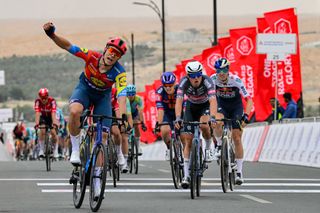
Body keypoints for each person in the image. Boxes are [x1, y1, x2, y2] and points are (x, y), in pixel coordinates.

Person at [43, 22, 128, 198]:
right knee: (74, 112)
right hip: (84, 90)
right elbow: (69, 46)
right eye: (111, 51)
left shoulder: (120, 72)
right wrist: (52, 35)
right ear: (106, 49)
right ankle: (75, 148)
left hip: (102, 98)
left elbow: (121, 95)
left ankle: (96, 184)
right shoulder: (92, 56)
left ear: (119, 58)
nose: (112, 56)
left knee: (103, 138)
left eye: (117, 55)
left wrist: (123, 117)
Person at [175, 60, 218, 189]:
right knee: (188, 141)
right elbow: (179, 101)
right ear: (188, 76)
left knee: (204, 125)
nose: (196, 78)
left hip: (205, 105)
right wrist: (178, 118)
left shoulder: (207, 81)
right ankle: (186, 175)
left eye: (198, 74)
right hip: (191, 106)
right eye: (192, 76)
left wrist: (213, 117)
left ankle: (208, 148)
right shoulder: (183, 82)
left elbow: (213, 101)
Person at [210, 57, 253, 185]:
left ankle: (239, 172)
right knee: (217, 121)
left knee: (237, 138)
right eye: (218, 70)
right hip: (221, 106)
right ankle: (218, 145)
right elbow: (209, 97)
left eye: (223, 70)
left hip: (236, 108)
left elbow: (249, 99)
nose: (221, 73)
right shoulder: (212, 79)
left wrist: (246, 115)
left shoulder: (236, 80)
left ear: (228, 70)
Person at [155, 72, 179, 161]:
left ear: (175, 83)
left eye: (170, 85)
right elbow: (160, 110)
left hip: (179, 112)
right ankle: (169, 149)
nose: (168, 87)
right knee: (164, 130)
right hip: (166, 113)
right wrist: (159, 124)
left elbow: (185, 107)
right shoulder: (159, 92)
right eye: (165, 85)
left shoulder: (180, 89)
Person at [34, 88, 60, 158]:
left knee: (54, 133)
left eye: (45, 98)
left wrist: (54, 123)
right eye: (42, 98)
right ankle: (41, 150)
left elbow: (53, 113)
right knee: (42, 130)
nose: (43, 100)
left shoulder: (52, 101)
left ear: (47, 96)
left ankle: (55, 150)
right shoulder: (37, 101)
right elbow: (37, 113)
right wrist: (36, 124)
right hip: (43, 117)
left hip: (51, 116)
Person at [126, 84, 147, 155]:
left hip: (134, 113)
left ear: (135, 93)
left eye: (132, 94)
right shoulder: (125, 99)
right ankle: (128, 143)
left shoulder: (138, 99)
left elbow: (140, 112)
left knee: (137, 126)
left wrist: (142, 123)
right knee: (127, 127)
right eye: (129, 94)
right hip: (126, 114)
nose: (130, 96)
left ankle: (138, 146)